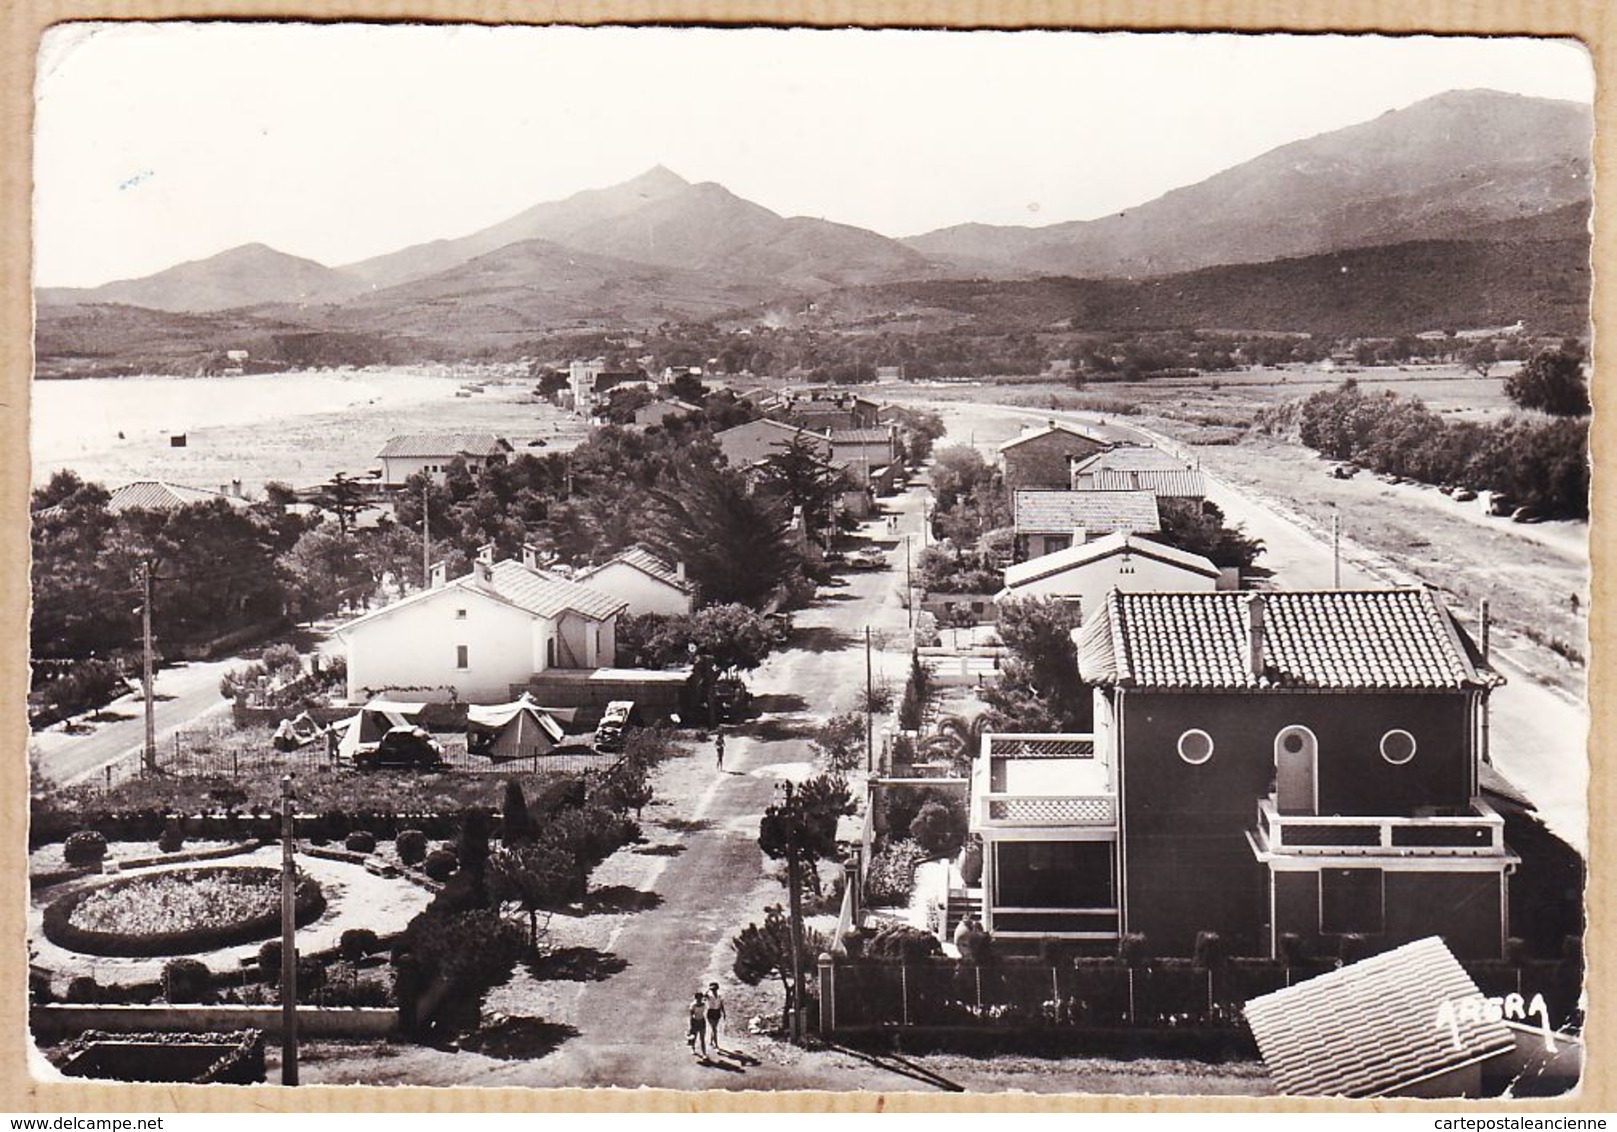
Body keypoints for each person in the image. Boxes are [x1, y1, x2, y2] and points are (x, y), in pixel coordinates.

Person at [705, 982, 727, 1051]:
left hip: (717, 1012)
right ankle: (716, 1045)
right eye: (712, 989)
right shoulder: (709, 996)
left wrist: (723, 1013)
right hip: (711, 1012)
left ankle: (711, 1042)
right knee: (714, 1029)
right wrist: (708, 989)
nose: (713, 990)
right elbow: (704, 996)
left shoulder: (720, 996)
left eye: (715, 989)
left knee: (714, 1029)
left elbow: (721, 1005)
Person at [686, 992, 708, 1059]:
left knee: (702, 1038)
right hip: (695, 1021)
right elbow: (691, 1015)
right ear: (696, 998)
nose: (699, 999)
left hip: (702, 1021)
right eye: (698, 998)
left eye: (700, 998)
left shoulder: (704, 1004)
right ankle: (693, 1048)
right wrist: (690, 1026)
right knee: (694, 1037)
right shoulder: (693, 1005)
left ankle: (704, 1053)